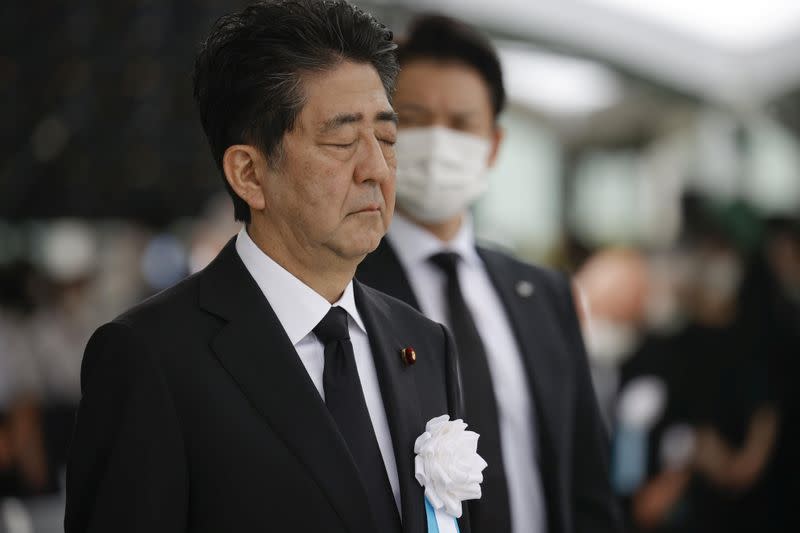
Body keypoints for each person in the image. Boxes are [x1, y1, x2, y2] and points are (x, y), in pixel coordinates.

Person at [64, 2, 467, 532]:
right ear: (249, 173)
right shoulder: (152, 359)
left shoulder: (423, 343)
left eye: (387, 139)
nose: (375, 169)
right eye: (342, 140)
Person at [356, 14, 621, 533]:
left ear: (494, 144)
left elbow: (587, 479)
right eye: (413, 119)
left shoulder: (544, 293)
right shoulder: (348, 288)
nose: (438, 140)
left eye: (461, 124)